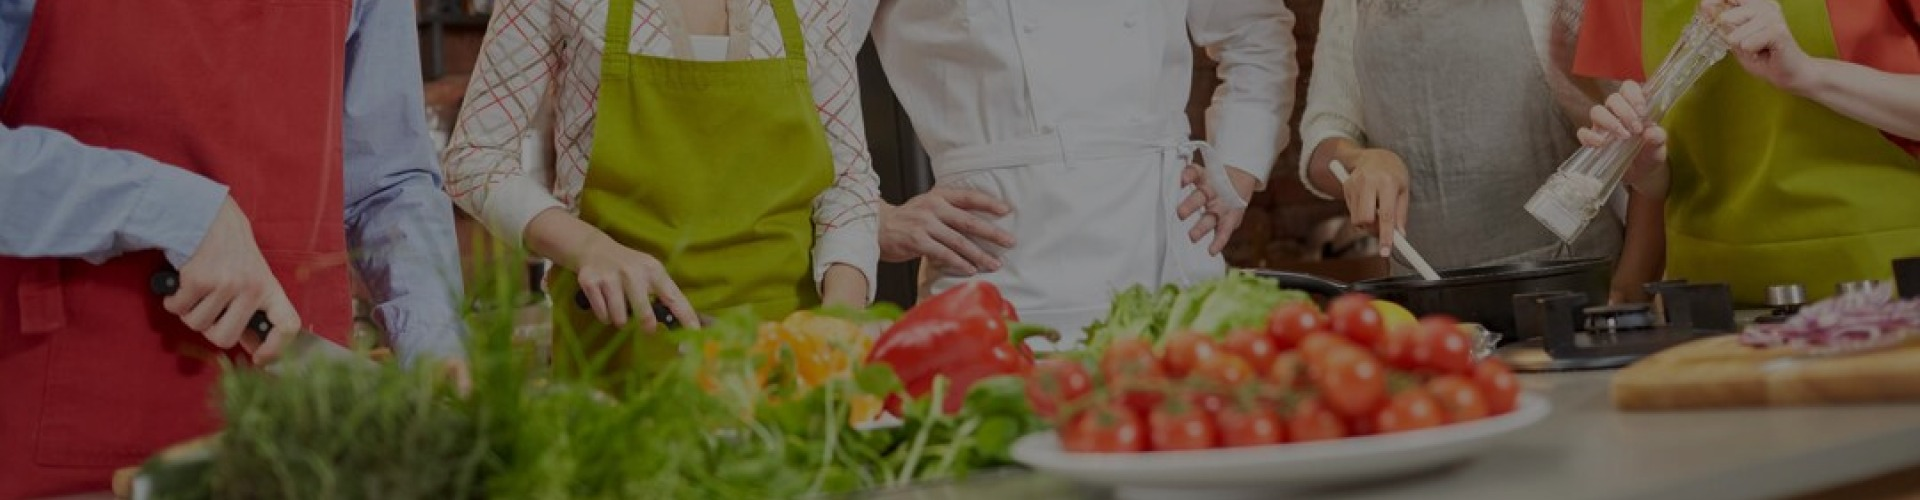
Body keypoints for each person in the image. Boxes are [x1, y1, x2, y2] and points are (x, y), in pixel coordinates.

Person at [0, 0, 466, 496]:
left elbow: (390, 184)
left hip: (304, 437)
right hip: (75, 427)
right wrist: (169, 211)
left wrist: (437, 351)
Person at [441, 0, 882, 370]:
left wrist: (838, 319)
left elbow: (848, 181)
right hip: (620, 355)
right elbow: (475, 155)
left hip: (788, 362)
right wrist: (589, 248)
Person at [848, 0, 1297, 344]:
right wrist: (873, 218)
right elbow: (815, 70)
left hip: (1168, 262)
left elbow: (1256, 31)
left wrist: (1236, 168)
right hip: (998, 275)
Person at [1297, 0, 1666, 303]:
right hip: (1424, 303)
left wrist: (1628, 287)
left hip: (1568, 296)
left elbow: (1645, 142)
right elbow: (1324, 136)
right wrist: (1362, 160)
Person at [1577, 0, 1920, 304]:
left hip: (1887, 291)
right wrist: (1648, 173)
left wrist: (1809, 74)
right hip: (1709, 305)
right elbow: (1665, 147)